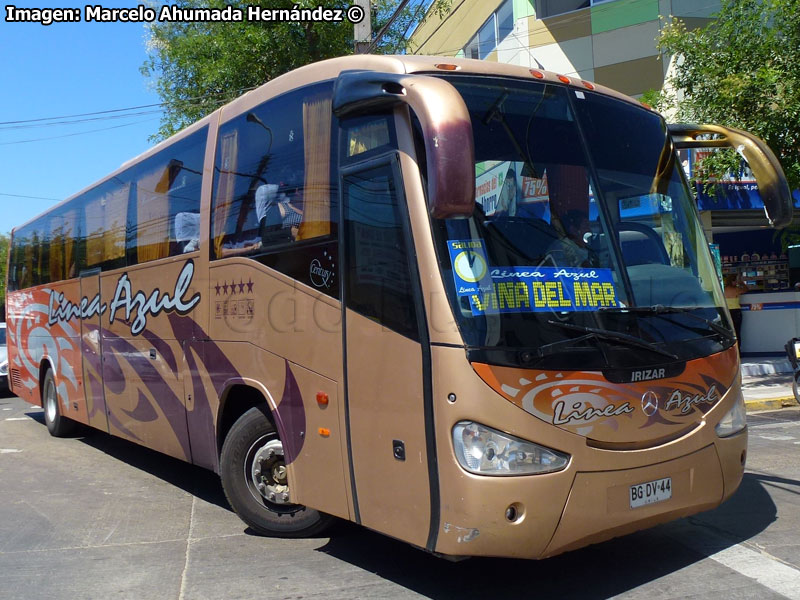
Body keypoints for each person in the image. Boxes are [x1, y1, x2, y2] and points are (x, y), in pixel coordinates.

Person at [724, 273, 744, 344]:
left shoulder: (723, 290)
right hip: (736, 312)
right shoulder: (737, 289)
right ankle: (738, 349)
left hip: (726, 312)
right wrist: (741, 282)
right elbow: (746, 289)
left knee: (728, 332)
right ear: (732, 281)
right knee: (737, 332)